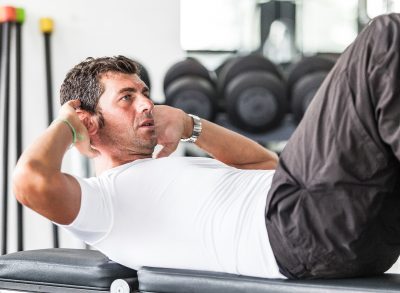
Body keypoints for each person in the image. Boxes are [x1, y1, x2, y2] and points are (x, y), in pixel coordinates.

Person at [12, 13, 400, 280]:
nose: (147, 103)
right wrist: (68, 120)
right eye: (126, 98)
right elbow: (31, 182)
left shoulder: (166, 168)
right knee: (384, 37)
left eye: (145, 93)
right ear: (90, 122)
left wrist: (190, 126)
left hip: (355, 234)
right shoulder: (103, 202)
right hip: (295, 230)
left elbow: (267, 166)